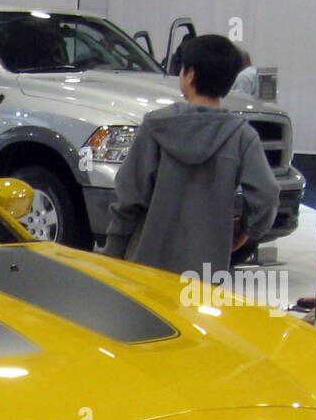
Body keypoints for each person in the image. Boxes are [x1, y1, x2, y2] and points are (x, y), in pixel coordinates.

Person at [103, 34, 278, 277]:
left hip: (146, 267)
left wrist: (112, 252)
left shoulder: (156, 128)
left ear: (190, 75)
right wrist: (246, 229)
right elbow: (267, 195)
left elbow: (129, 198)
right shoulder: (241, 137)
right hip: (206, 272)